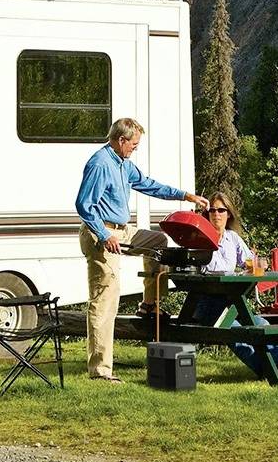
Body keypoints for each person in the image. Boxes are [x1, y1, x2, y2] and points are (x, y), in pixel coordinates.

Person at [76, 117, 208, 383]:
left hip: (122, 230)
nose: (135, 148)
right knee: (105, 300)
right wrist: (104, 235)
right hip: (100, 232)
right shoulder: (100, 164)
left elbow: (149, 184)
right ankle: (100, 371)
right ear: (121, 140)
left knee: (158, 242)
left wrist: (186, 196)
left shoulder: (124, 164)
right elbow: (83, 204)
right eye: (133, 144)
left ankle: (150, 304)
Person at [193, 192, 278, 382]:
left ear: (228, 213)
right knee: (237, 333)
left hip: (231, 304)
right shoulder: (200, 239)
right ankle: (272, 369)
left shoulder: (233, 238)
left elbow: (251, 262)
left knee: (262, 324)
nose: (216, 214)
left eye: (221, 210)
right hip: (209, 305)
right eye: (212, 210)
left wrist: (257, 264)